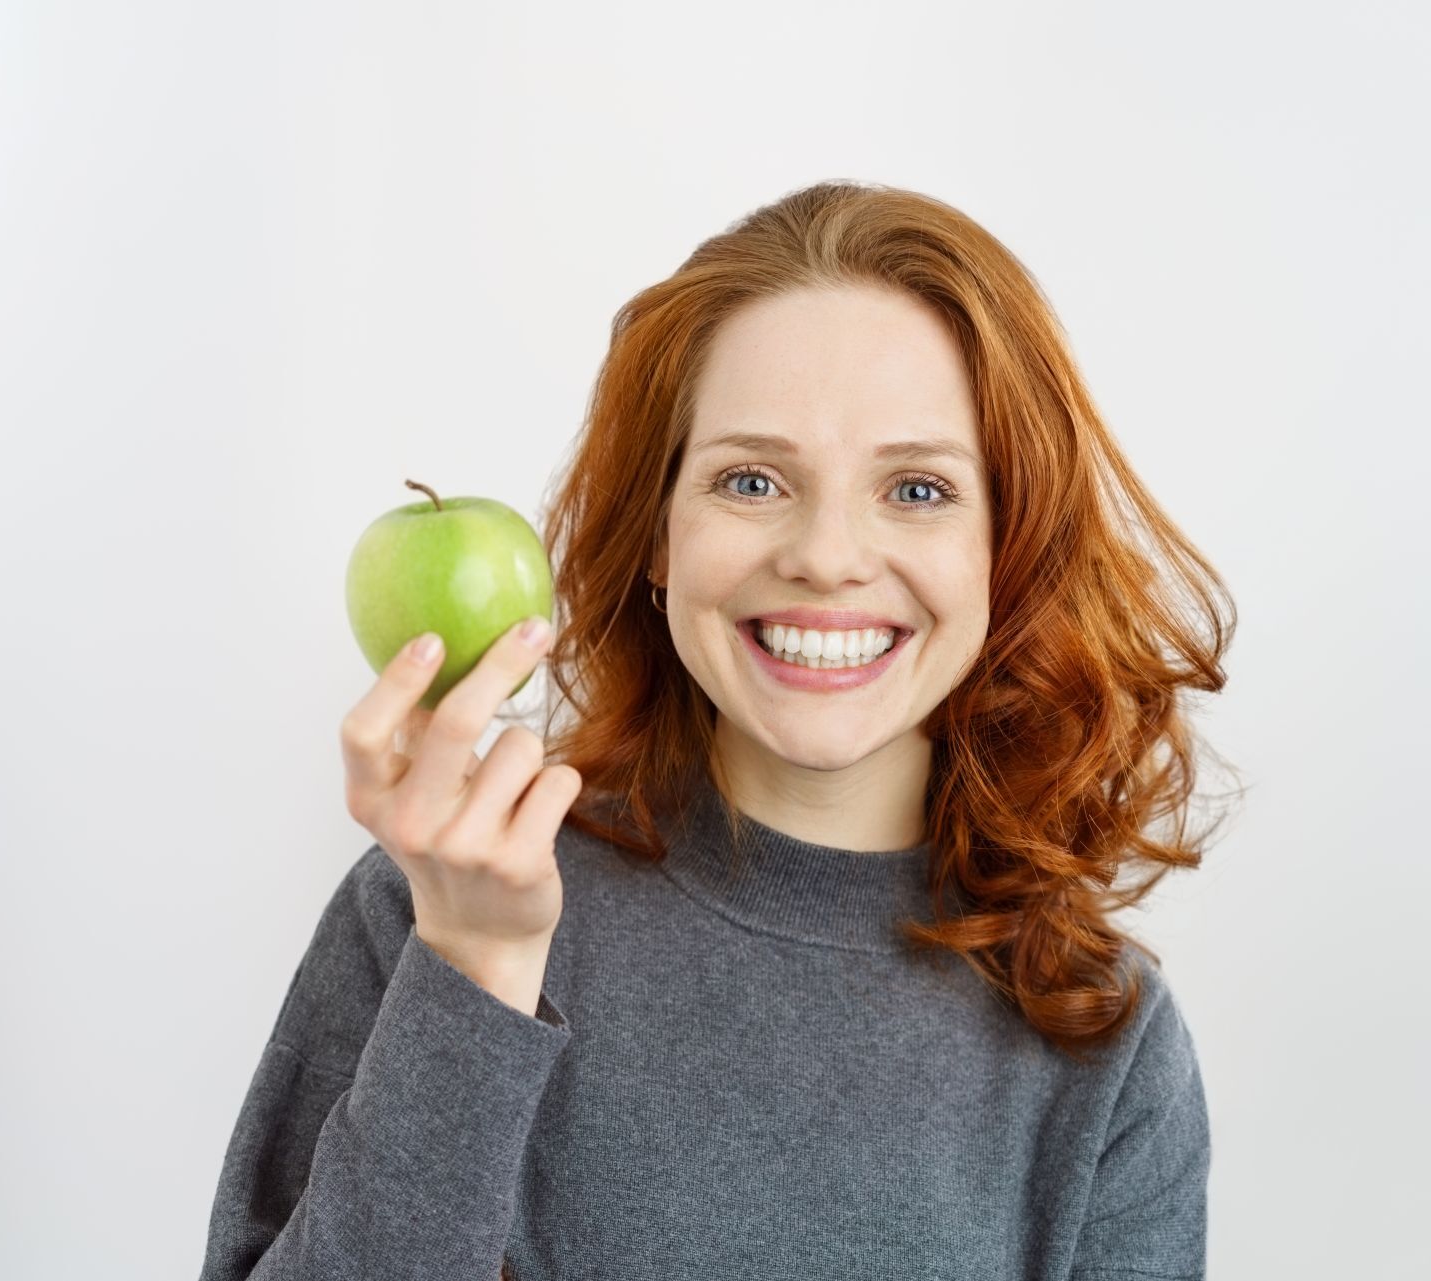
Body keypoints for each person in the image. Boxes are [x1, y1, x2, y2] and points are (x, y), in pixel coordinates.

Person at [197, 180, 1237, 1279]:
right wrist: (474, 968)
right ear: (657, 535)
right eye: (751, 479)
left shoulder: (1100, 1043)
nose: (827, 555)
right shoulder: (432, 908)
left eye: (919, 490)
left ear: (1007, 547)